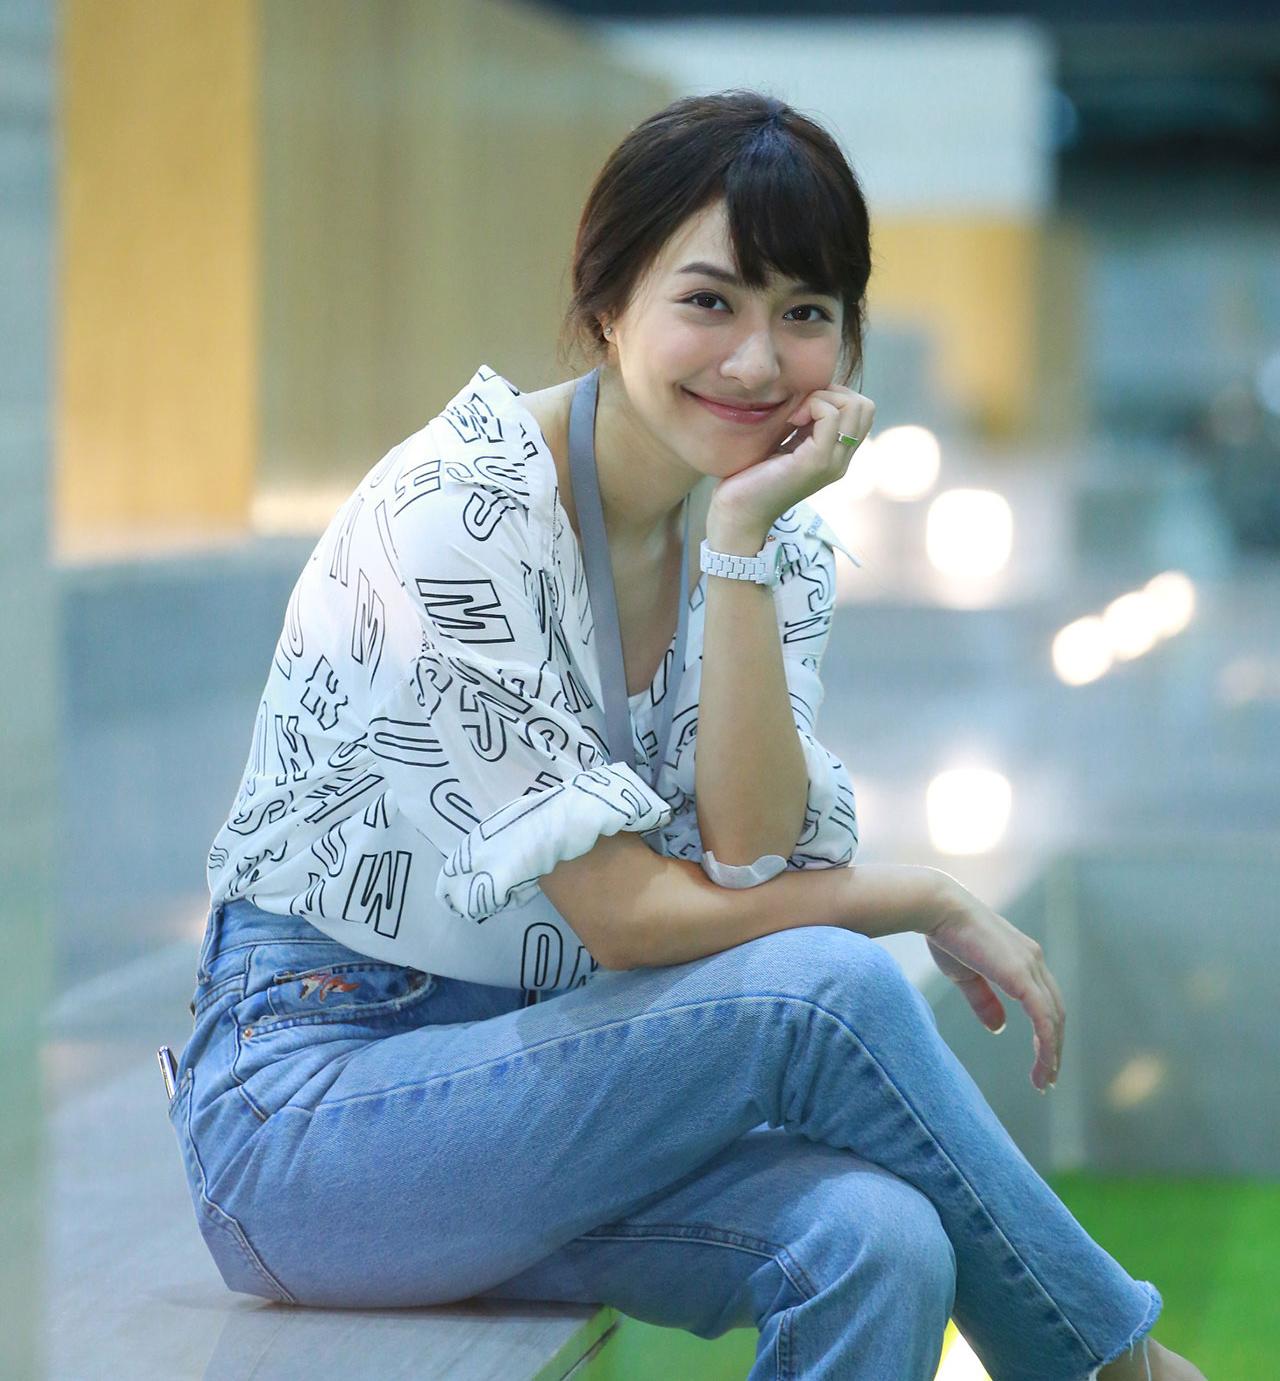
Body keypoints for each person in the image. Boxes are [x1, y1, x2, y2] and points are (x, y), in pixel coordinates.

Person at [167, 90, 1204, 1381]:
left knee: (879, 1241)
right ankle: (1120, 1368)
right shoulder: (457, 509)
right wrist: (922, 896)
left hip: (540, 1083)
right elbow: (627, 918)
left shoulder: (771, 533)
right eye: (710, 301)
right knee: (828, 985)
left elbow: (748, 855)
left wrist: (742, 541)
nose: (758, 363)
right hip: (311, 1121)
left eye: (806, 313)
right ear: (609, 303)